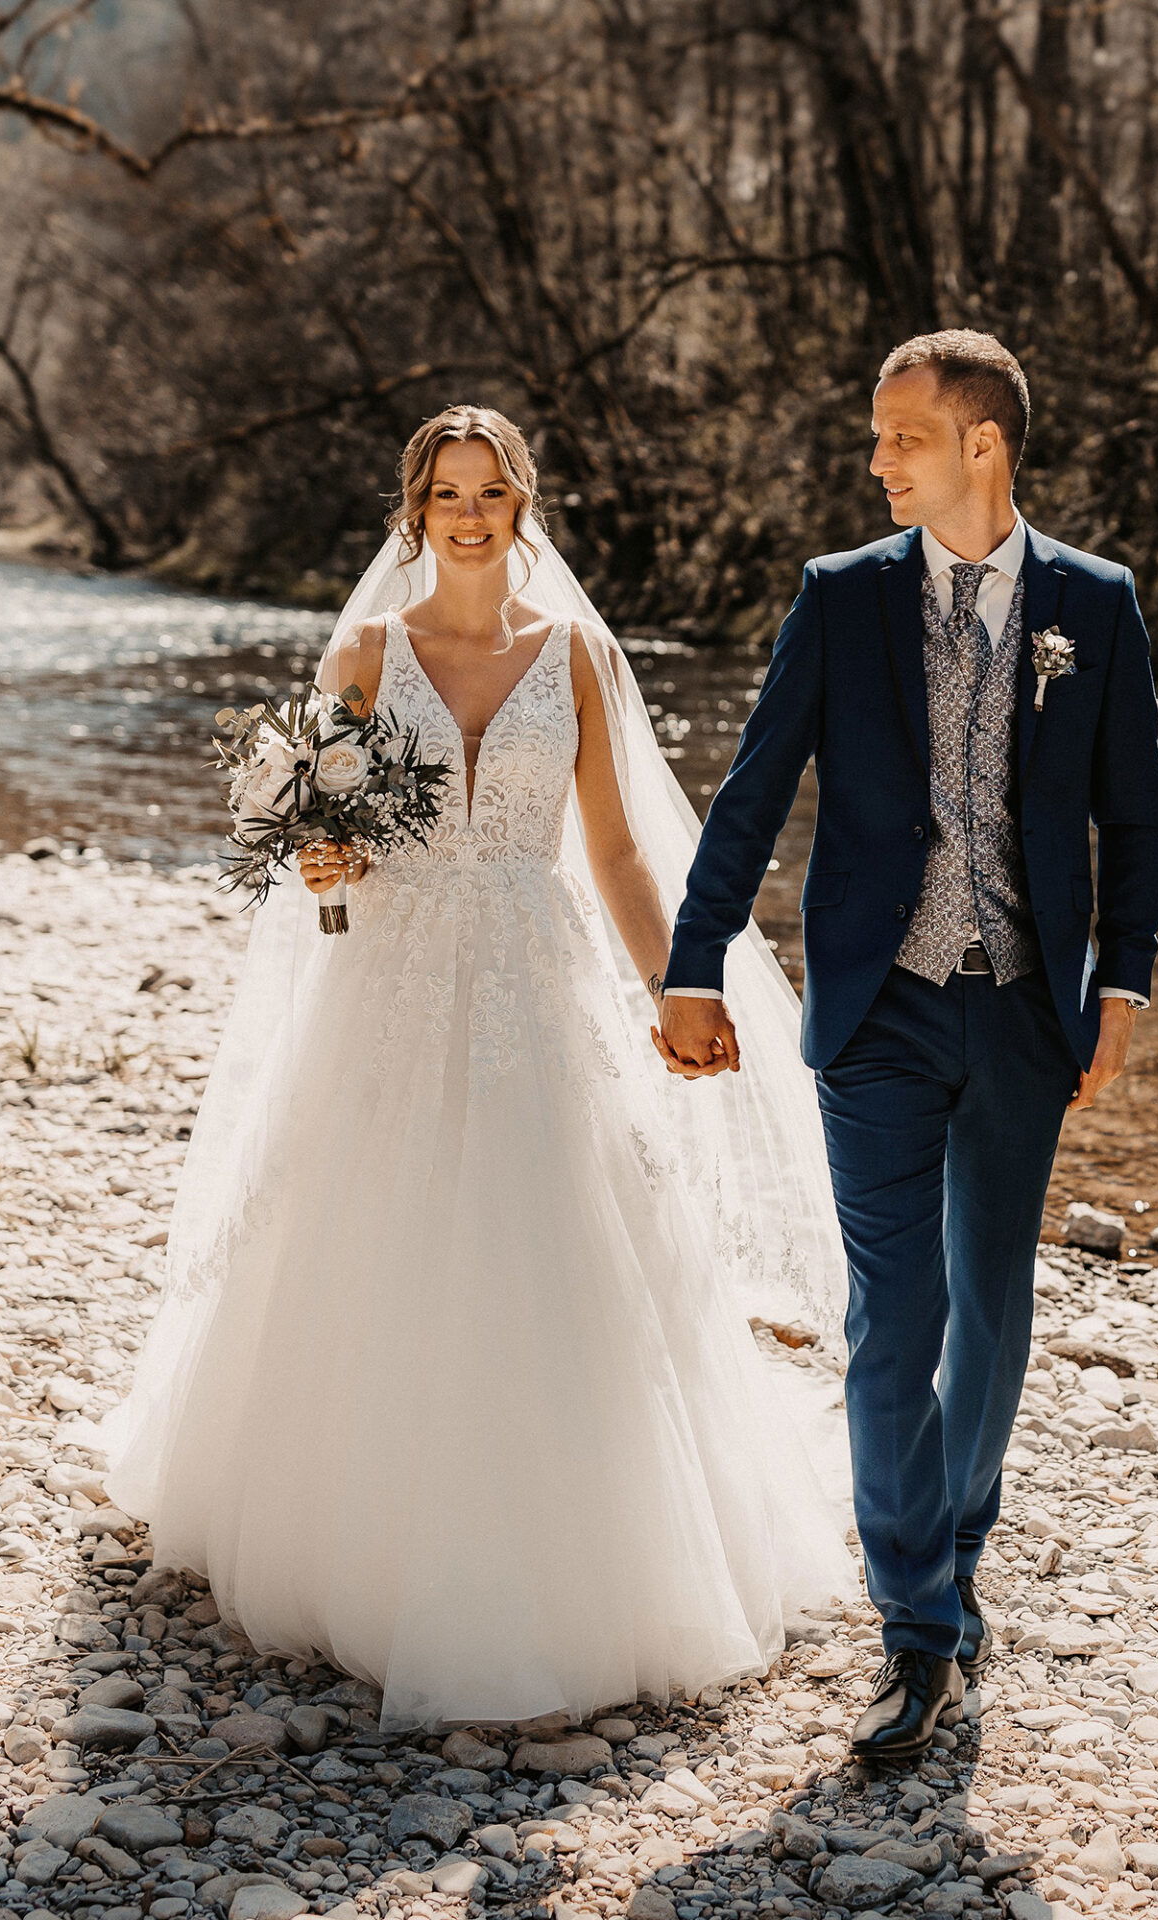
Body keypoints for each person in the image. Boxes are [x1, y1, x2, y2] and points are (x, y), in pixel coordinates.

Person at [97, 406, 857, 1733]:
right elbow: (323, 853)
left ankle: (563, 1558)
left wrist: (679, 986)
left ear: (522, 507)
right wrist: (325, 865)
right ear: (413, 509)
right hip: (388, 987)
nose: (465, 512)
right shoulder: (365, 649)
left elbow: (616, 856)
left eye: (488, 492)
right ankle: (355, 1541)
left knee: (546, 1236)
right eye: (444, 492)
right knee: (368, 1232)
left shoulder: (573, 657)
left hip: (528, 983)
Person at [659, 331, 1158, 1761]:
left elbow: (1133, 818)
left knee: (993, 1311)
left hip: (1023, 1010)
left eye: (901, 435)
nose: (877, 458)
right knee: (896, 1319)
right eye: (877, 436)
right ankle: (917, 1623)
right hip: (876, 1008)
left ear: (982, 447)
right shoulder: (839, 601)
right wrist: (691, 965)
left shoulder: (1096, 605)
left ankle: (954, 1542)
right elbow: (754, 792)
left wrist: (1119, 988)